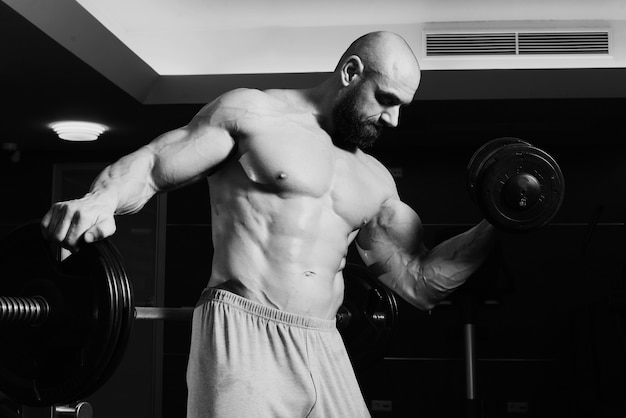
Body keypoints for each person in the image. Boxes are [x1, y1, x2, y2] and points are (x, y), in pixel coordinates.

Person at [41, 31, 495, 418]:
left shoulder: (374, 180)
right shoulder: (253, 115)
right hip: (244, 330)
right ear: (351, 72)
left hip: (325, 341)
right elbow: (155, 164)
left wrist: (498, 221)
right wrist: (100, 199)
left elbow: (420, 281)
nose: (394, 119)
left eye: (403, 107)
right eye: (387, 99)